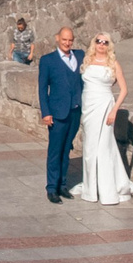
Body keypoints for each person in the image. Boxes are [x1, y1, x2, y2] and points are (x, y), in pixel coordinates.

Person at [76, 33, 132, 204]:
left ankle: (107, 189)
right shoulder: (86, 60)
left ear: (109, 45)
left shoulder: (113, 64)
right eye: (98, 41)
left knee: (104, 147)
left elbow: (123, 89)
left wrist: (114, 110)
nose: (101, 44)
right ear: (94, 43)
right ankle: (90, 189)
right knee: (90, 147)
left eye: (105, 42)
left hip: (105, 105)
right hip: (88, 106)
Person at [37, 26, 84, 203]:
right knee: (55, 151)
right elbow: (42, 89)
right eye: (64, 39)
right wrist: (46, 113)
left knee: (67, 149)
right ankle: (51, 188)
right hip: (57, 113)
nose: (67, 43)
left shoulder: (79, 56)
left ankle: (63, 185)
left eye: (70, 40)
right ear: (57, 38)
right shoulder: (48, 60)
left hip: (74, 111)